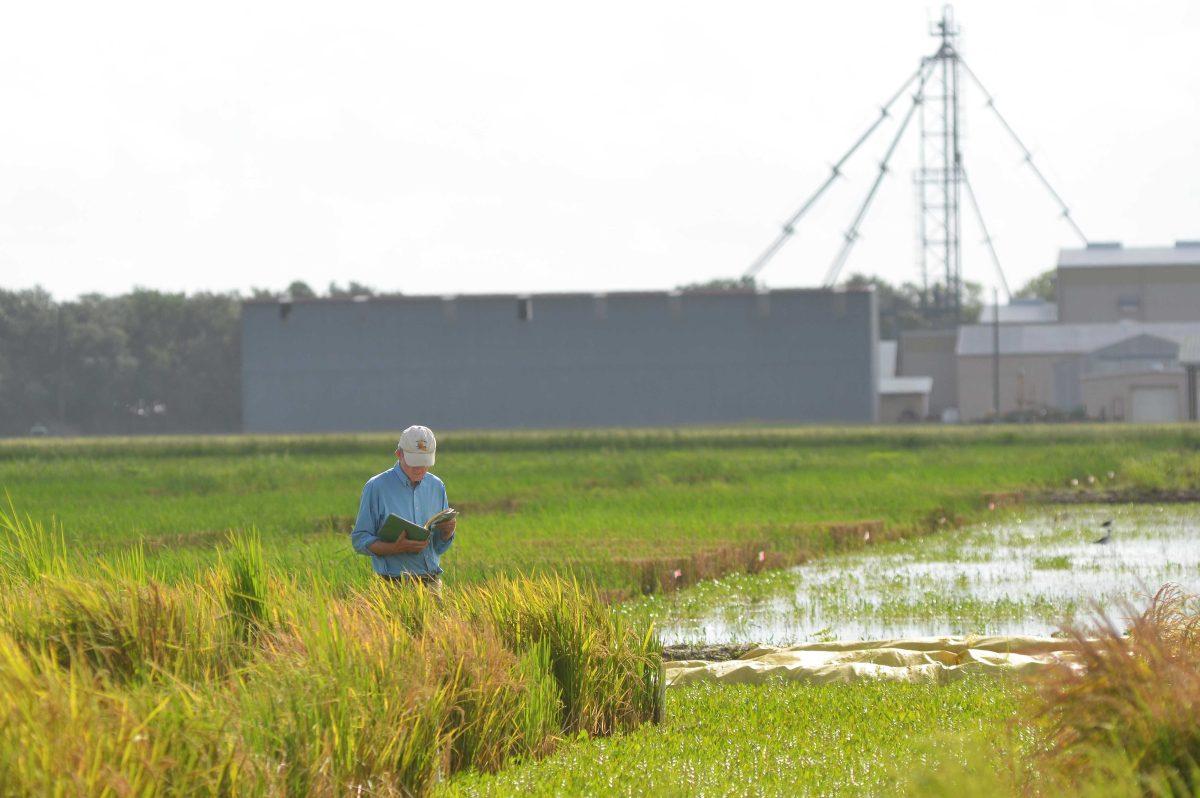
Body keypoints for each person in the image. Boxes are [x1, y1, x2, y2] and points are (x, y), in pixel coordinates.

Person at [351, 425, 457, 588]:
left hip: (433, 584)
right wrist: (394, 548)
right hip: (392, 586)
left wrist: (447, 533)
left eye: (425, 462)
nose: (420, 468)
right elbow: (360, 540)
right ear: (399, 454)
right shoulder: (376, 487)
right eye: (414, 462)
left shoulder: (437, 486)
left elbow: (438, 547)